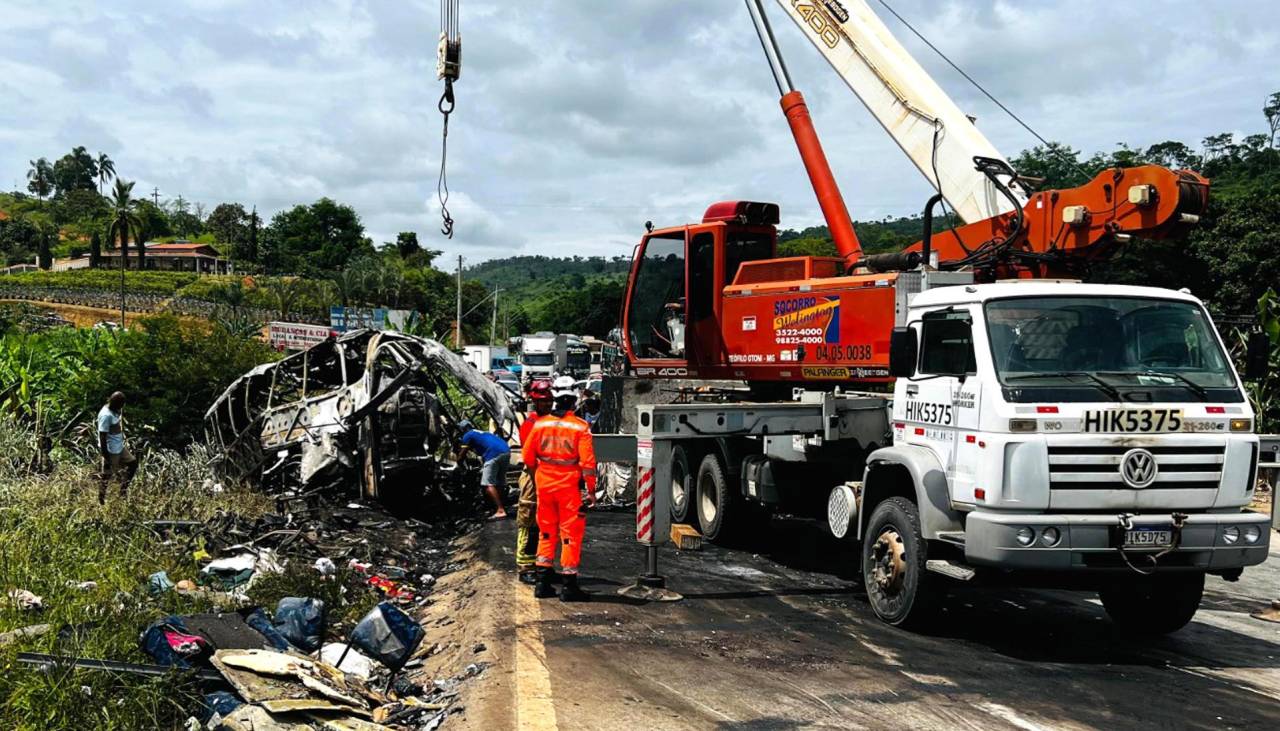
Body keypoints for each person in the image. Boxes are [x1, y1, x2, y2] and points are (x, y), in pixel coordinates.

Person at [521, 375, 596, 602]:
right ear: (574, 400)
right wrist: (591, 491)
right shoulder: (580, 427)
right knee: (570, 536)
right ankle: (569, 587)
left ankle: (542, 584)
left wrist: (541, 473)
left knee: (546, 533)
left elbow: (527, 456)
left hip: (544, 486)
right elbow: (588, 464)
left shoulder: (540, 424)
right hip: (569, 489)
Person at [515, 379, 553, 584]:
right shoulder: (530, 425)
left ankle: (543, 565)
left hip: (549, 478)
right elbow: (531, 458)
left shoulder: (551, 423)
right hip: (533, 476)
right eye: (544, 401)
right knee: (528, 520)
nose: (547, 404)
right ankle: (525, 567)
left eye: (549, 401)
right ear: (535, 402)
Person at [457, 419, 512, 520]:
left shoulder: (467, 435)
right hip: (506, 451)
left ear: (463, 429)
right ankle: (501, 506)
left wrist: (459, 463)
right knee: (498, 482)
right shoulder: (482, 432)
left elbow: (462, 454)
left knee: (487, 484)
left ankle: (500, 510)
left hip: (493, 454)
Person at [97, 391, 137, 504]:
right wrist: (106, 456)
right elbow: (102, 436)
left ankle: (123, 491)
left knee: (133, 464)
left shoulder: (115, 409)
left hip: (119, 446)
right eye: (121, 405)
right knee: (106, 476)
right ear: (116, 403)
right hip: (111, 450)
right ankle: (101, 500)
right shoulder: (106, 415)